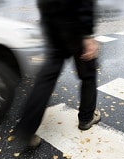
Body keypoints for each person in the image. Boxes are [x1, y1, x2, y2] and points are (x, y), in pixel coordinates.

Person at [13, 0, 100, 150]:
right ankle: (86, 118)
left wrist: (46, 18)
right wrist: (87, 34)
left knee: (46, 78)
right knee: (88, 74)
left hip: (51, 19)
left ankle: (26, 129)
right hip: (74, 22)